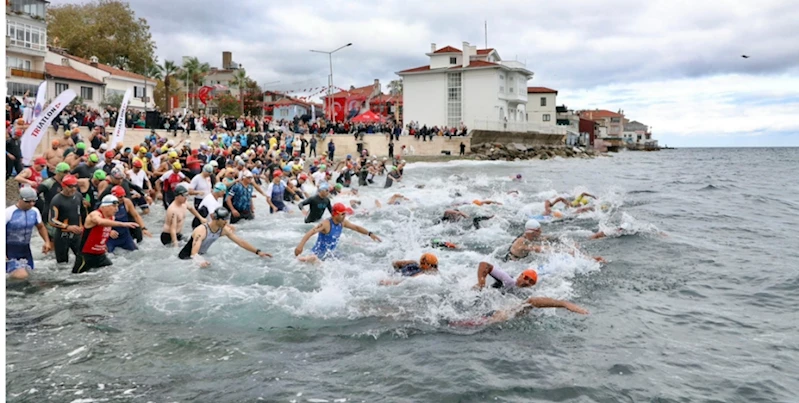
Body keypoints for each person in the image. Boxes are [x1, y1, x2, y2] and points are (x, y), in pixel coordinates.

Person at [178, 207, 272, 267]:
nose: (226, 223)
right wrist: (200, 262)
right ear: (216, 219)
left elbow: (240, 242)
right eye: (224, 220)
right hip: (185, 259)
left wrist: (258, 252)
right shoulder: (201, 231)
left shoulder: (222, 229)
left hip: (200, 257)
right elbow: (194, 253)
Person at [294, 203, 382, 262]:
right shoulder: (326, 224)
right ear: (335, 214)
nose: (345, 216)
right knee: (314, 259)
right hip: (317, 254)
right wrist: (300, 247)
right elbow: (310, 232)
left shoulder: (343, 222)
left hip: (330, 254)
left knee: (350, 260)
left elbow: (356, 228)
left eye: (345, 213)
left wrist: (370, 234)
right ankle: (302, 259)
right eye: (342, 214)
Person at [73, 195, 138, 274]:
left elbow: (101, 228)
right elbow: (99, 222)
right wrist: (123, 224)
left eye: (117, 206)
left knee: (114, 274)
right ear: (104, 206)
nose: (116, 209)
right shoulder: (95, 214)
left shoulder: (112, 217)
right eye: (114, 206)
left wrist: (109, 232)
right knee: (76, 279)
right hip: (86, 256)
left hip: (100, 255)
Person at [6, 187, 52, 280]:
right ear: (20, 199)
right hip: (9, 249)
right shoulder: (8, 212)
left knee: (29, 276)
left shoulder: (34, 211)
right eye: (28, 201)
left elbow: (41, 227)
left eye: (33, 201)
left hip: (25, 250)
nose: (31, 204)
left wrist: (47, 242)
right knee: (21, 276)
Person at [449, 297, 589, 327]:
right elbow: (532, 301)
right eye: (526, 277)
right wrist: (564, 304)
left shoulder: (519, 308)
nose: (527, 281)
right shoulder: (517, 309)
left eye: (530, 280)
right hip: (489, 320)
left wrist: (563, 304)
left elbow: (533, 302)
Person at [48, 175, 85, 264]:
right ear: (63, 186)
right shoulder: (57, 200)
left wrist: (83, 227)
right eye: (70, 187)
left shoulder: (78, 196)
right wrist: (68, 227)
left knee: (83, 259)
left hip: (77, 235)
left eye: (75, 186)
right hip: (62, 236)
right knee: (62, 265)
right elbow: (51, 220)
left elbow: (81, 213)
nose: (73, 189)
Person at [105, 185, 151, 253]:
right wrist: (108, 232)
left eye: (124, 196)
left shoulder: (127, 202)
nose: (122, 198)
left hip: (125, 236)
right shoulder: (106, 205)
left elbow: (136, 216)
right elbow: (100, 222)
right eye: (120, 197)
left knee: (137, 253)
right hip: (111, 237)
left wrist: (143, 228)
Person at [474, 262, 538, 292]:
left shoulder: (526, 293)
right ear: (520, 276)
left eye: (531, 282)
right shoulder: (508, 280)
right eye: (526, 278)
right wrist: (481, 282)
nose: (527, 282)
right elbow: (484, 265)